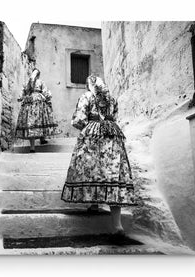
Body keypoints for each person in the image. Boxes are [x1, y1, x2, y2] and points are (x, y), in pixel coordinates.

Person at [61, 75, 136, 235]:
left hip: (93, 136)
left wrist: (88, 126)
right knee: (112, 175)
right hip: (112, 134)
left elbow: (79, 119)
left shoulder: (86, 97)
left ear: (90, 85)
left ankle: (94, 204)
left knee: (92, 171)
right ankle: (117, 225)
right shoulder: (112, 100)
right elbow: (114, 117)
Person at [15, 68, 59, 152]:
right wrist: (48, 98)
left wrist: (21, 98)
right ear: (38, 75)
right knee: (41, 120)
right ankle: (42, 139)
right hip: (39, 102)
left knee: (30, 123)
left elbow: (21, 95)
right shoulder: (41, 82)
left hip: (28, 101)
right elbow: (46, 93)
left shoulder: (26, 83)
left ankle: (32, 147)